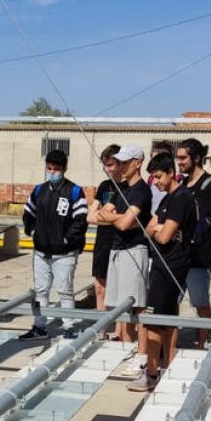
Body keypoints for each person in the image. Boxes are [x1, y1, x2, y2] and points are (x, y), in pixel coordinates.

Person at [130, 152, 196, 392]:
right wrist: (158, 228)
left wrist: (159, 229)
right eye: (153, 177)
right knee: (167, 319)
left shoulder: (181, 198)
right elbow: (149, 229)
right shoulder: (167, 199)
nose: (155, 182)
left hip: (171, 265)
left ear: (171, 173)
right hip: (161, 262)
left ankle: (151, 373)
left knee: (155, 320)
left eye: (158, 176)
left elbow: (165, 236)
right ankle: (167, 368)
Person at [95, 145, 153, 375]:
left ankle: (142, 354)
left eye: (125, 162)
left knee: (137, 305)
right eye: (119, 162)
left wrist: (113, 217)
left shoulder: (141, 191)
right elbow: (99, 215)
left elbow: (123, 223)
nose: (121, 166)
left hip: (134, 249)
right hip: (117, 249)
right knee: (121, 305)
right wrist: (114, 216)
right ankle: (127, 347)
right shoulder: (120, 189)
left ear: (137, 163)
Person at [20, 149, 88, 341]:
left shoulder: (74, 191)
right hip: (41, 252)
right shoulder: (39, 190)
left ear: (64, 169)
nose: (52, 172)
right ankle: (39, 327)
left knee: (64, 291)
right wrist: (33, 233)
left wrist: (66, 239)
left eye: (56, 169)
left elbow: (81, 221)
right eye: (49, 168)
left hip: (64, 254)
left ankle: (69, 328)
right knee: (40, 290)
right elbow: (28, 214)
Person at [176, 138, 211, 349]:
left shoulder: (209, 185)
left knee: (200, 301)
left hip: (198, 256)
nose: (179, 162)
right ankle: (172, 340)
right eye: (177, 157)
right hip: (180, 254)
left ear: (196, 158)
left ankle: (205, 341)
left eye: (183, 157)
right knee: (173, 299)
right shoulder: (183, 183)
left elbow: (205, 221)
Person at [89, 145, 122, 339]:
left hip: (120, 242)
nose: (108, 169)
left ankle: (119, 331)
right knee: (100, 287)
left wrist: (106, 214)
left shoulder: (128, 187)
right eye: (105, 165)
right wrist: (108, 214)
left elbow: (126, 218)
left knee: (118, 289)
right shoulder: (104, 186)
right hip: (102, 242)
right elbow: (90, 216)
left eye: (110, 165)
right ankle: (101, 329)